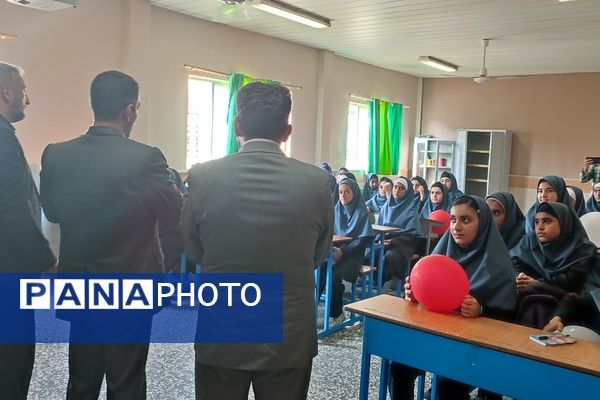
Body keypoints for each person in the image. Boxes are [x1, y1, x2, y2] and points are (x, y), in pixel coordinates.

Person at [182, 82, 333, 400]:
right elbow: (317, 254)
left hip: (222, 331)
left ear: (237, 125)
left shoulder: (202, 177)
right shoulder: (318, 183)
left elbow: (194, 249)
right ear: (287, 130)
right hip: (287, 335)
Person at [40, 70, 182, 399]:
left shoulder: (56, 153)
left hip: (81, 285)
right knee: (126, 381)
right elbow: (175, 213)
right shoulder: (146, 158)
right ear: (129, 110)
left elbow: (53, 213)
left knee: (82, 379)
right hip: (131, 286)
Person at [390, 195, 517, 400]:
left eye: (465, 220)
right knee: (398, 369)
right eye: (453, 219)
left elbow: (508, 318)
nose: (457, 226)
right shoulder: (442, 253)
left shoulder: (498, 265)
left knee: (448, 386)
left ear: (482, 223)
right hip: (435, 337)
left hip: (473, 350)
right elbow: (430, 296)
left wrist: (481, 310)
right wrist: (414, 295)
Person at [0, 62, 57, 400]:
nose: (28, 100)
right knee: (12, 362)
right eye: (23, 91)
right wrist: (47, 261)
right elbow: (13, 208)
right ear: (7, 92)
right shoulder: (3, 140)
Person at [319, 178, 374, 323]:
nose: (343, 195)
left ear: (354, 193)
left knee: (334, 278)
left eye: (347, 192)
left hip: (352, 256)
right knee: (319, 270)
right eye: (340, 192)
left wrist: (343, 252)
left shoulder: (362, 213)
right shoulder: (336, 209)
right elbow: (329, 232)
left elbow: (362, 241)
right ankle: (311, 308)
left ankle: (337, 314)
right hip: (334, 251)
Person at [376, 177, 421, 285]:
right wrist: (379, 239)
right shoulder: (386, 206)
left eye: (401, 188)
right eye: (395, 187)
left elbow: (411, 234)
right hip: (384, 240)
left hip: (402, 244)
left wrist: (393, 241)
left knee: (390, 257)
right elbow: (378, 227)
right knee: (371, 252)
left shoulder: (411, 210)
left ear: (407, 192)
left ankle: (380, 283)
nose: (397, 190)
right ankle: (371, 281)